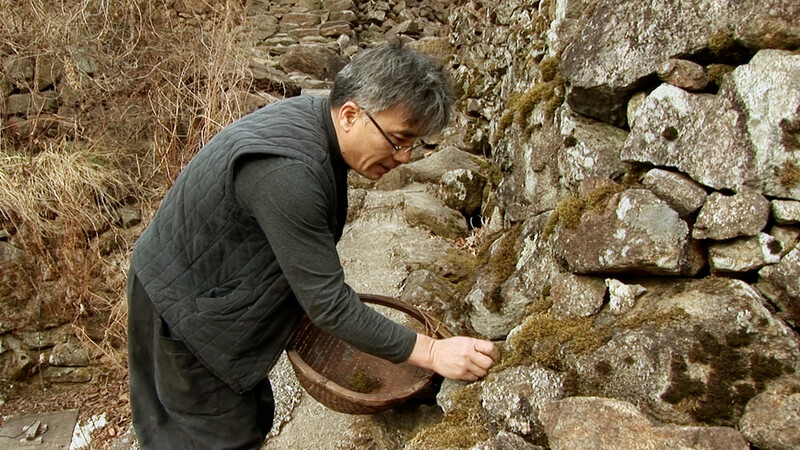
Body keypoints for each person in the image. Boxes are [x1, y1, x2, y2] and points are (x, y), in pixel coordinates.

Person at [126, 40, 500, 450]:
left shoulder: (318, 122)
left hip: (212, 282)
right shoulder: (289, 174)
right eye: (398, 140)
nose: (406, 157)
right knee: (213, 435)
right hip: (180, 307)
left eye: (414, 144)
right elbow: (329, 305)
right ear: (351, 115)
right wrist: (432, 352)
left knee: (246, 417)